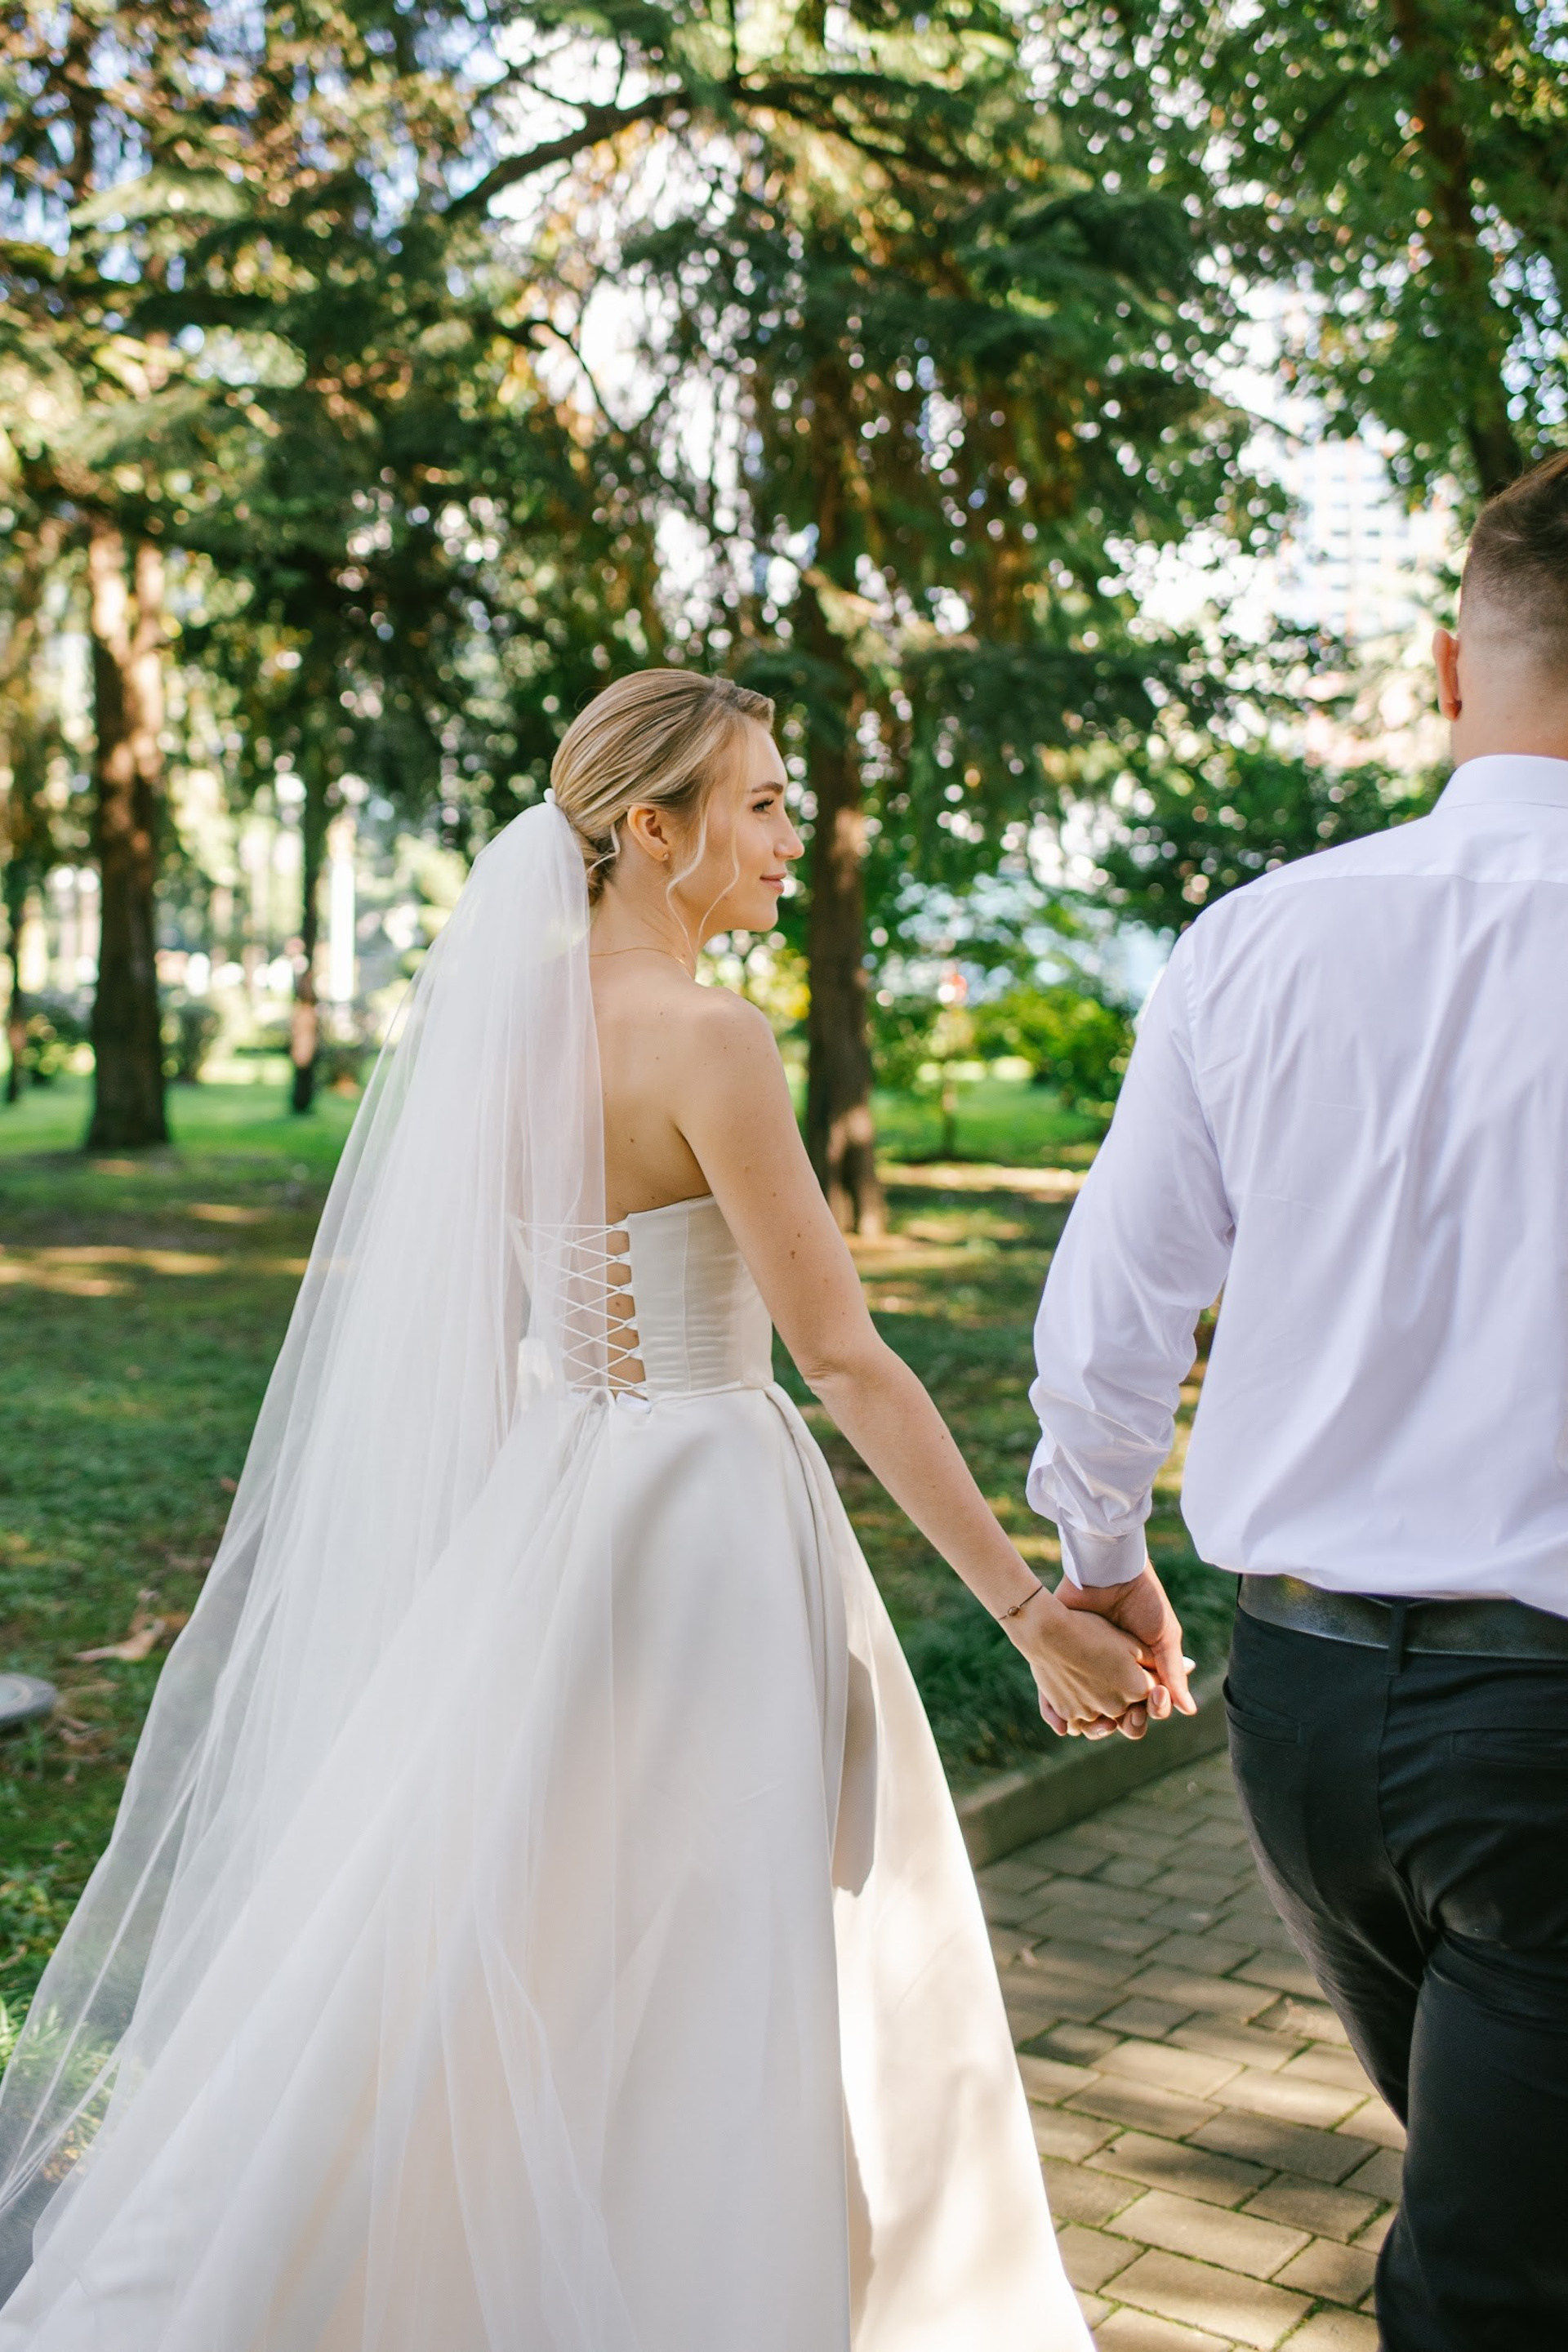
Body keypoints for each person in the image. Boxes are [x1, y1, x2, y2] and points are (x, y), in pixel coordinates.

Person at [0, 669, 1169, 2350]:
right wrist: (1026, 1610)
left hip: (558, 1505)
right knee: (722, 1936)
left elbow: (478, 1352)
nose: (791, 837)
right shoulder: (709, 1040)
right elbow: (840, 1357)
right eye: (760, 806)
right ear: (652, 827)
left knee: (536, 1918)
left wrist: (479, 1587)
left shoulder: (506, 1035)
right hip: (702, 1515)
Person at [1027, 449, 1568, 2351]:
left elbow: (1111, 1315)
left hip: (1304, 1717)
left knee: (1499, 2204)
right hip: (1548, 1739)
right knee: (1493, 2278)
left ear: (1447, 668)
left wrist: (1097, 1558)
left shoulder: (1259, 936)